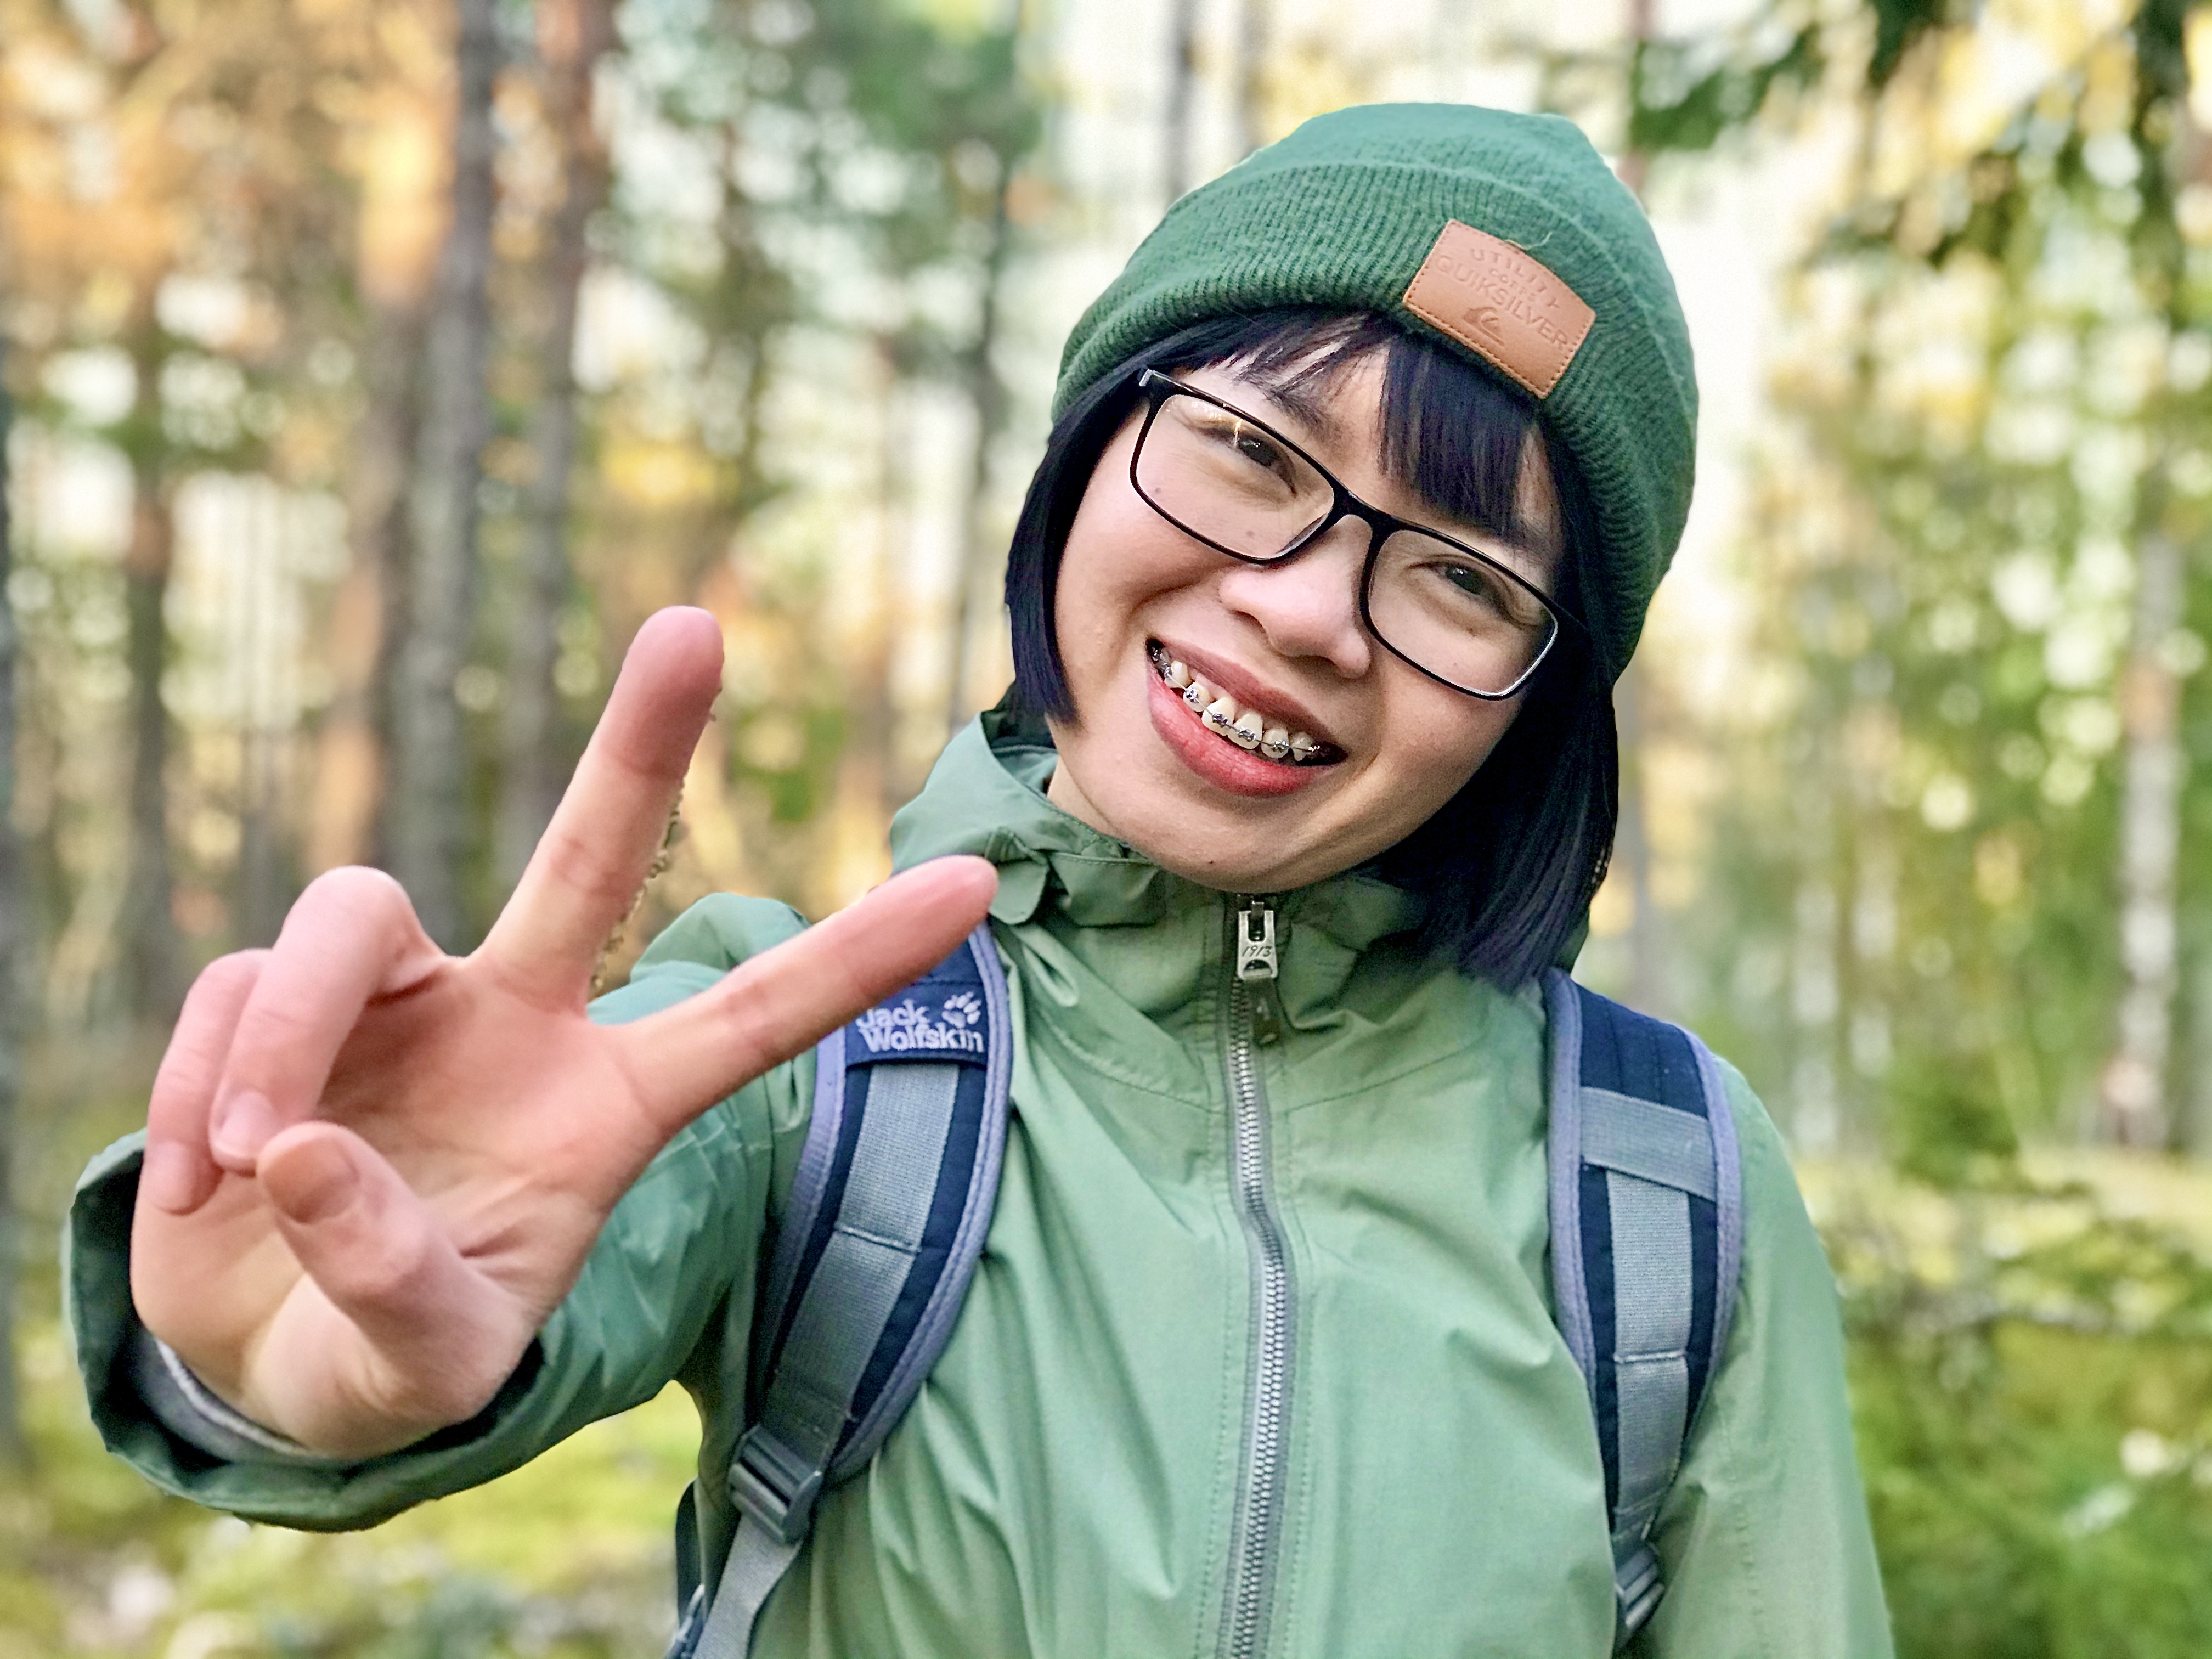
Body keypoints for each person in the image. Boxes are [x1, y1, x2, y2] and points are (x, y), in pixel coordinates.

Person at [67, 104, 1892, 1657]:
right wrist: (288, 1353)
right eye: (1253, 454)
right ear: (1090, 451)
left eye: (1464, 579)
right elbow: (468, 1274)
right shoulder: (803, 1052)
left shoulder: (1666, 1184)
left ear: (1540, 710)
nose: (1308, 612)